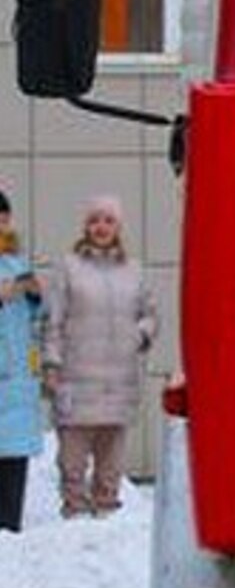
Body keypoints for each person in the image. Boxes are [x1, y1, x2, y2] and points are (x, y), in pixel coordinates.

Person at [42, 196, 158, 519]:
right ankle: (75, 517)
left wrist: (141, 334)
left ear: (118, 227)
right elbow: (53, 321)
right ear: (85, 227)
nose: (101, 227)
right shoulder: (68, 267)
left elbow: (150, 314)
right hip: (76, 383)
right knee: (72, 463)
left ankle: (107, 516)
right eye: (94, 220)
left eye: (108, 220)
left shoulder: (134, 271)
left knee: (111, 467)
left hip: (118, 384)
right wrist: (51, 365)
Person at [0, 190, 43, 533]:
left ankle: (10, 519)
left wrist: (34, 293)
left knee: (14, 452)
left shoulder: (17, 261)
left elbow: (38, 314)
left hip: (15, 371)